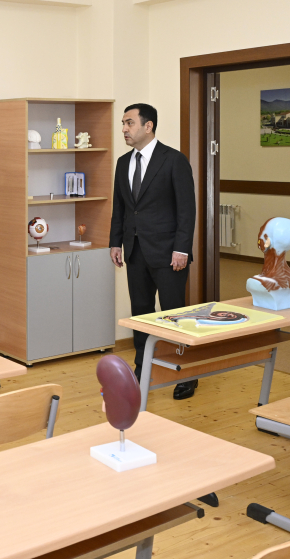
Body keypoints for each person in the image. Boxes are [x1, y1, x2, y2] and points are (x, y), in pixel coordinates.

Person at [109, 104, 197, 400]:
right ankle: (142, 368)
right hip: (135, 252)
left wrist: (182, 248)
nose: (124, 129)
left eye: (129, 123)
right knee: (141, 314)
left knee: (175, 315)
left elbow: (186, 209)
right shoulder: (123, 162)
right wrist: (115, 242)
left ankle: (186, 374)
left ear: (148, 126)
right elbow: (120, 207)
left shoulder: (173, 160)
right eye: (123, 123)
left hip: (169, 254)